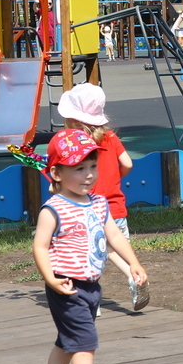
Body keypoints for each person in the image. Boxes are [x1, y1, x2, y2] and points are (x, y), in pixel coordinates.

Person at [30, 129, 148, 364]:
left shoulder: (98, 202)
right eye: (79, 168)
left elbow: (114, 236)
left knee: (68, 340)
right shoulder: (54, 209)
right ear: (56, 173)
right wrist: (50, 279)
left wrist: (133, 263)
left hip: (91, 286)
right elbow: (40, 246)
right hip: (66, 285)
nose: (89, 175)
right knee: (84, 341)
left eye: (93, 166)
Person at [56, 83, 148, 311]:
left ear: (73, 119)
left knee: (90, 254)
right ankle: (134, 275)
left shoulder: (74, 144)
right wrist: (115, 175)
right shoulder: (110, 137)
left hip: (90, 208)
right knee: (114, 247)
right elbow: (127, 163)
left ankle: (90, 301)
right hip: (116, 206)